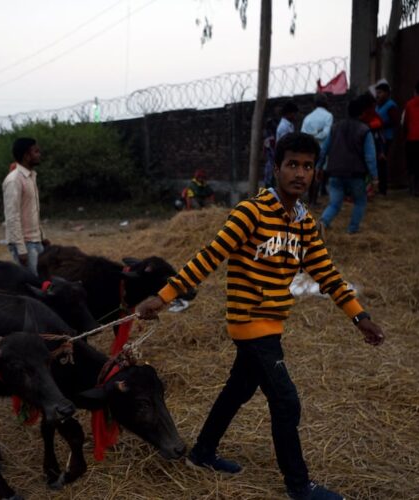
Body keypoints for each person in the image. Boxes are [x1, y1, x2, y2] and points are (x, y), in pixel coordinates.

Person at [136, 132, 385, 500]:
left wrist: (359, 317)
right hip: (249, 323)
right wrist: (164, 296)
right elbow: (210, 255)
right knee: (286, 402)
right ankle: (299, 486)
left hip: (271, 323)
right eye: (292, 165)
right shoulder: (250, 213)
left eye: (307, 166)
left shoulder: (304, 224)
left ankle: (202, 452)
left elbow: (328, 275)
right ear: (276, 168)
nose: (300, 173)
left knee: (239, 388)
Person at [317, 97, 379, 235]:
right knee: (360, 201)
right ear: (362, 113)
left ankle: (323, 222)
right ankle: (352, 229)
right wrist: (374, 177)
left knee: (334, 203)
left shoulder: (335, 128)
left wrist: (318, 167)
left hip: (334, 172)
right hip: (356, 174)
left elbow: (324, 150)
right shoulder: (364, 130)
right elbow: (370, 157)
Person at [3, 137, 45, 275]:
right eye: (36, 151)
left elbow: (31, 211)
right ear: (26, 156)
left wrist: (42, 236)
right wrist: (21, 249)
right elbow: (12, 216)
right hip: (25, 244)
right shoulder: (14, 180)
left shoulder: (31, 176)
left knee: (44, 283)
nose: (39, 154)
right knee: (35, 286)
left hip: (35, 240)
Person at [300, 94, 333, 206]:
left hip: (308, 148)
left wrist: (310, 136)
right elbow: (326, 133)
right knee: (318, 173)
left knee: (309, 172)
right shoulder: (328, 116)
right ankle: (313, 201)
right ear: (325, 103)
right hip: (321, 148)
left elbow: (302, 133)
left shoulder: (308, 117)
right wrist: (316, 135)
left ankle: (309, 199)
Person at [266, 101, 299, 187]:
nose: (295, 116)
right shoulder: (284, 127)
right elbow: (286, 144)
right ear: (289, 114)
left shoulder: (289, 125)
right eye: (294, 114)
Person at [374, 82, 398, 195]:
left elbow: (394, 121)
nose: (378, 95)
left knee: (382, 162)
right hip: (377, 137)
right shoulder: (377, 106)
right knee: (378, 163)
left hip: (386, 137)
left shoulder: (391, 105)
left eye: (380, 93)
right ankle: (379, 186)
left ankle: (383, 188)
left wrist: (380, 124)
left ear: (387, 93)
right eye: (377, 93)